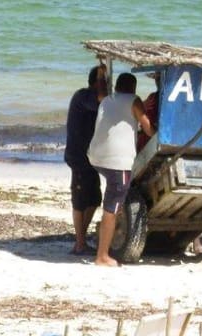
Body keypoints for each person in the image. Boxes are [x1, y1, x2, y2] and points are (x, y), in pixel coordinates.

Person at [88, 72, 154, 267]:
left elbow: (100, 94)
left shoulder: (106, 99)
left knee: (112, 201)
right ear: (133, 88)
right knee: (113, 208)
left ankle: (102, 243)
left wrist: (101, 75)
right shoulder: (134, 100)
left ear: (116, 87)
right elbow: (148, 128)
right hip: (119, 161)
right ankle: (102, 256)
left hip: (96, 156)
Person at [64, 64, 108, 255]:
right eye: (103, 83)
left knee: (95, 199)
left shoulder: (93, 100)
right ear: (96, 83)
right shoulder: (83, 96)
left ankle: (80, 239)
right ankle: (80, 243)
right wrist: (102, 76)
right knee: (80, 200)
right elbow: (101, 98)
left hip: (91, 158)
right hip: (78, 157)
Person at [135, 71, 160, 152]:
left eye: (158, 78)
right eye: (157, 78)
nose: (157, 81)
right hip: (150, 136)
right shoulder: (153, 96)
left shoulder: (154, 97)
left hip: (149, 140)